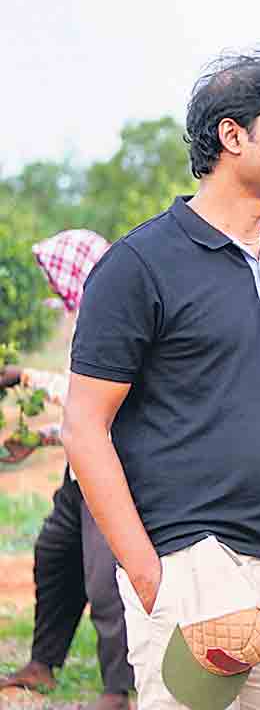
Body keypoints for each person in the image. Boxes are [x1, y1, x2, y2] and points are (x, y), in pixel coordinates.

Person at [62, 49, 260, 710]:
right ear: (233, 136)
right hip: (194, 558)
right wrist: (148, 572)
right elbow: (83, 424)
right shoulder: (140, 266)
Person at [0, 229, 133, 710]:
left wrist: (25, 376)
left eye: (56, 276)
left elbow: (96, 401)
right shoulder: (87, 317)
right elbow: (83, 412)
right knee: (54, 556)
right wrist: (38, 437)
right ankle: (42, 665)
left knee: (105, 583)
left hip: (110, 472)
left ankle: (119, 691)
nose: (54, 288)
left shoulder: (115, 316)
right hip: (79, 474)